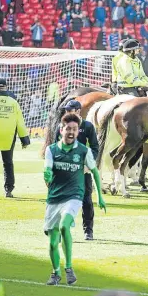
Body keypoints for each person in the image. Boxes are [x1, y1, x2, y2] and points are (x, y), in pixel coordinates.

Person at [44, 113, 106, 286]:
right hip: (54, 198)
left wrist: (100, 197)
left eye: (74, 129)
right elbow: (47, 171)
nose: (71, 132)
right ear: (61, 130)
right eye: (68, 129)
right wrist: (47, 175)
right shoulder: (51, 150)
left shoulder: (83, 151)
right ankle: (55, 272)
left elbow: (94, 171)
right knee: (53, 241)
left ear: (78, 132)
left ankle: (69, 267)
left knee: (65, 226)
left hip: (74, 196)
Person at [54, 100, 99, 241]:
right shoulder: (61, 127)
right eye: (66, 110)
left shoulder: (87, 126)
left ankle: (88, 231)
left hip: (82, 170)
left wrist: (88, 165)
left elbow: (95, 147)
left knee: (86, 200)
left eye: (70, 110)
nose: (67, 112)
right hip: (65, 169)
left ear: (78, 111)